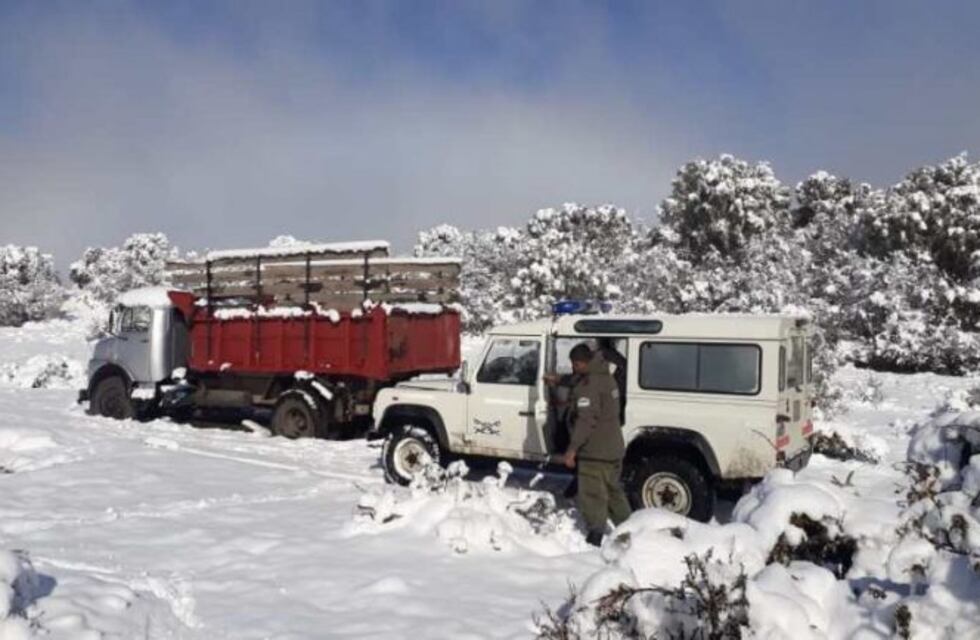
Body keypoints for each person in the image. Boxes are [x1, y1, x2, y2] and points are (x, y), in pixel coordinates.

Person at [563, 343, 632, 546]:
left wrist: (572, 449)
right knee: (614, 492)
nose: (573, 368)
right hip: (613, 447)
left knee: (593, 493)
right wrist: (560, 380)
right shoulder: (605, 376)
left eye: (575, 364)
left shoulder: (589, 386)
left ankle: (595, 534)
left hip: (595, 451)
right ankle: (630, 529)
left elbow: (586, 420)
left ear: (581, 363)